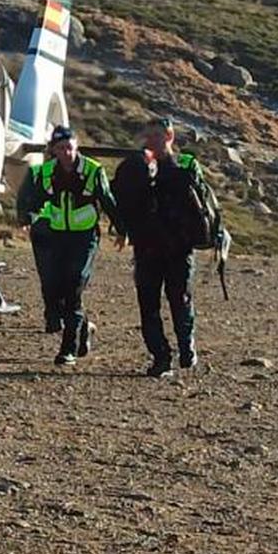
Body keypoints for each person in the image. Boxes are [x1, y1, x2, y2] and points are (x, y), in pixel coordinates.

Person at [113, 118, 217, 378]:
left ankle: (186, 345)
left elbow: (201, 201)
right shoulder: (136, 168)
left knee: (180, 300)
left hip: (178, 247)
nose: (151, 141)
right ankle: (160, 357)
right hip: (147, 248)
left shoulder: (185, 166)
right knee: (148, 305)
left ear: (169, 136)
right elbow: (123, 201)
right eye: (148, 136)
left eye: (157, 135)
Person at [17, 125, 122, 366]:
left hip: (84, 238)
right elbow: (31, 199)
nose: (67, 153)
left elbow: (108, 201)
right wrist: (26, 218)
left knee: (74, 287)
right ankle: (83, 327)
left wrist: (121, 230)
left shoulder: (93, 171)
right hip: (57, 236)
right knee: (55, 290)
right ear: (53, 150)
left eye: (71, 148)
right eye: (62, 148)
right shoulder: (44, 173)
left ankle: (68, 350)